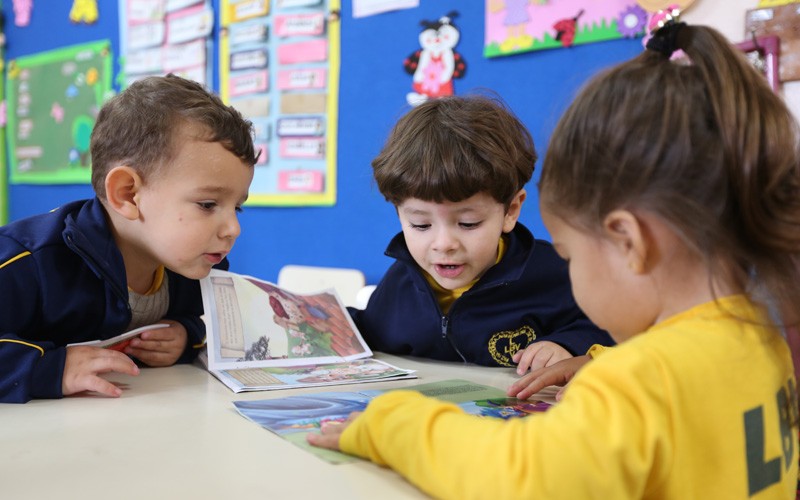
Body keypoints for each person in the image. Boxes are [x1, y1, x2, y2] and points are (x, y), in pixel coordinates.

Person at [309, 21, 800, 498]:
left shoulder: (639, 383)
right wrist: (595, 360)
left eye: (569, 252)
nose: (442, 243)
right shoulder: (759, 332)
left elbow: (519, 478)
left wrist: (393, 424)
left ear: (628, 242)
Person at [0, 75, 259, 403]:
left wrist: (186, 336)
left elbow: (203, 323)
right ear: (128, 195)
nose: (233, 228)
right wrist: (47, 369)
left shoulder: (192, 263)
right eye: (208, 205)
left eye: (237, 207)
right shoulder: (29, 262)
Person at [348, 94, 613, 372]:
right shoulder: (401, 281)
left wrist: (566, 345)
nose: (444, 244)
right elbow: (371, 332)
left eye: (468, 223)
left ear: (510, 210)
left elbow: (612, 327)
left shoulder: (555, 274)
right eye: (421, 225)